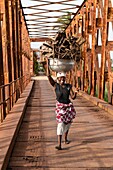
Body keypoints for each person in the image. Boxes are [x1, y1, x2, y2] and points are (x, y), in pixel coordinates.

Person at [45, 61, 77, 150]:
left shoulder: (68, 86)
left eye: (63, 78)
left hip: (68, 107)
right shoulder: (55, 86)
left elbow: (73, 97)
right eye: (60, 78)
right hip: (60, 107)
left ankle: (66, 138)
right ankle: (59, 144)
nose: (62, 80)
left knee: (68, 123)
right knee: (60, 124)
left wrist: (76, 92)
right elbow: (48, 76)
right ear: (58, 79)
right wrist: (48, 64)